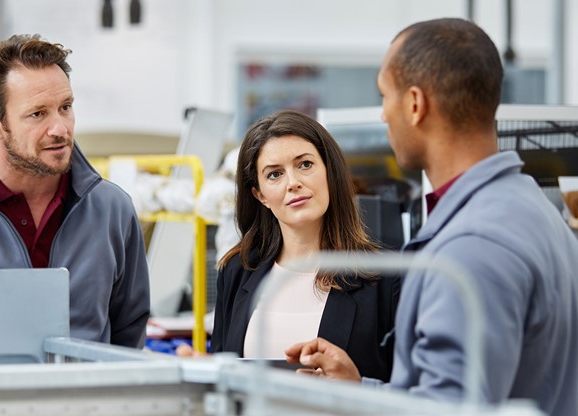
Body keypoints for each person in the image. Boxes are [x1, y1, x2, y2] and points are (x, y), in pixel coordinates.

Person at [285, 18, 578, 416]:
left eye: (385, 97)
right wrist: (360, 391)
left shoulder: (474, 246)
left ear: (415, 104)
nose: (384, 116)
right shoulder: (531, 208)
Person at [0, 34, 150, 348]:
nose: (60, 128)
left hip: (89, 398)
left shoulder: (113, 211)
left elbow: (128, 333)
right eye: (38, 114)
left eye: (65, 107)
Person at [209, 110, 399, 382]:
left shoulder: (386, 276)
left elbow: (413, 393)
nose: (293, 182)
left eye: (305, 165)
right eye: (274, 175)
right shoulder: (237, 270)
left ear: (329, 171)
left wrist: (356, 387)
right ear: (260, 195)